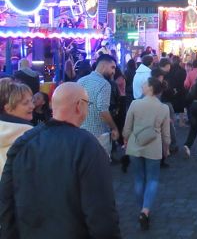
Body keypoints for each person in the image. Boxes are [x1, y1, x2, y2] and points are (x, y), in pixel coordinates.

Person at [0, 82, 121, 238]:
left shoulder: (24, 142)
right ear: (79, 106)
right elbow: (101, 213)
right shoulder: (88, 146)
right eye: (88, 104)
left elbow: (6, 200)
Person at [123, 77, 171, 230]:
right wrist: (166, 148)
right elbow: (166, 134)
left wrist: (125, 140)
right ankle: (146, 210)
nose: (142, 85)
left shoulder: (135, 103)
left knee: (138, 178)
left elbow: (127, 127)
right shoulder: (163, 108)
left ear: (150, 88)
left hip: (135, 145)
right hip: (154, 147)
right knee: (152, 179)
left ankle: (142, 209)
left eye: (145, 84)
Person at [77, 54, 120, 156]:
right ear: (104, 65)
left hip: (81, 132)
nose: (114, 72)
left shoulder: (81, 81)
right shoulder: (104, 84)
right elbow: (103, 110)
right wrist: (114, 128)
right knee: (101, 167)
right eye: (112, 67)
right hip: (99, 135)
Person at [0, 81, 33, 173]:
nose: (32, 106)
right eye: (26, 103)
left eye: (32, 101)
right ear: (8, 108)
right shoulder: (30, 136)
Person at [166, 56, 187, 127]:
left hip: (171, 90)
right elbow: (184, 81)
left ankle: (172, 123)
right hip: (180, 90)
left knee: (171, 106)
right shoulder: (182, 70)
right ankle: (181, 122)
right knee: (181, 107)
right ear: (179, 61)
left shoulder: (169, 70)